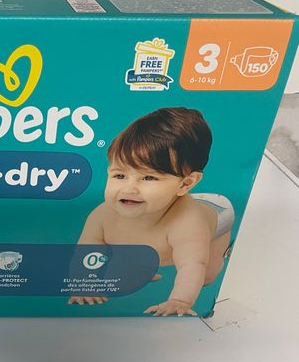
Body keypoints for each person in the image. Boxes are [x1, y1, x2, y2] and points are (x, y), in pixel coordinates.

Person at [68, 107, 233, 316]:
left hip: (216, 212)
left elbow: (192, 264)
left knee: (206, 275)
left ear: (186, 183)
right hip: (155, 218)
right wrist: (83, 285)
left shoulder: (188, 222)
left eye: (148, 178)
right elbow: (86, 252)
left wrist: (179, 300)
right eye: (120, 176)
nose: (129, 189)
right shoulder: (102, 215)